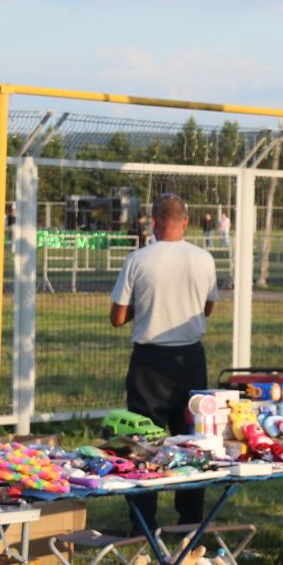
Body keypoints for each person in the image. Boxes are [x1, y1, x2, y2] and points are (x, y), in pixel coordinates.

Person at [110, 192, 220, 529]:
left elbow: (117, 317)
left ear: (154, 222)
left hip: (149, 361)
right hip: (190, 357)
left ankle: (143, 519)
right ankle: (190, 518)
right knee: (191, 438)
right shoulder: (204, 259)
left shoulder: (138, 259)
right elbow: (208, 306)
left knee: (143, 440)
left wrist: (146, 310)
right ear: (185, 222)